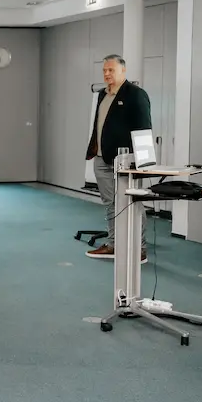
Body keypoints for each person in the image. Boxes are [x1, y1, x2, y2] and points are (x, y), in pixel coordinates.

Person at [84, 55, 152, 261]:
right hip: (101, 158)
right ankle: (114, 244)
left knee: (132, 202)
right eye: (104, 70)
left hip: (126, 161)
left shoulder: (136, 94)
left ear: (123, 71)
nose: (106, 74)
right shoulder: (103, 95)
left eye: (111, 70)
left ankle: (139, 249)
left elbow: (144, 129)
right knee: (110, 203)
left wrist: (141, 162)